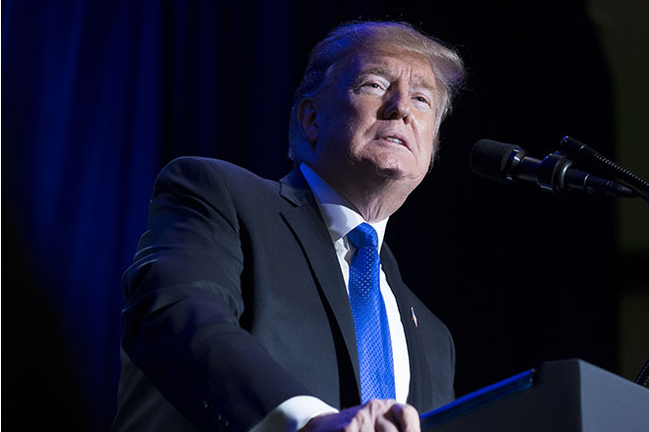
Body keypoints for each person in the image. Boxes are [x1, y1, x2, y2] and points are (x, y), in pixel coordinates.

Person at [111, 21, 465, 432]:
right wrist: (310, 423)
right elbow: (174, 317)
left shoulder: (436, 340)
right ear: (310, 118)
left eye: (422, 99)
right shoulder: (219, 196)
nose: (402, 107)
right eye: (374, 84)